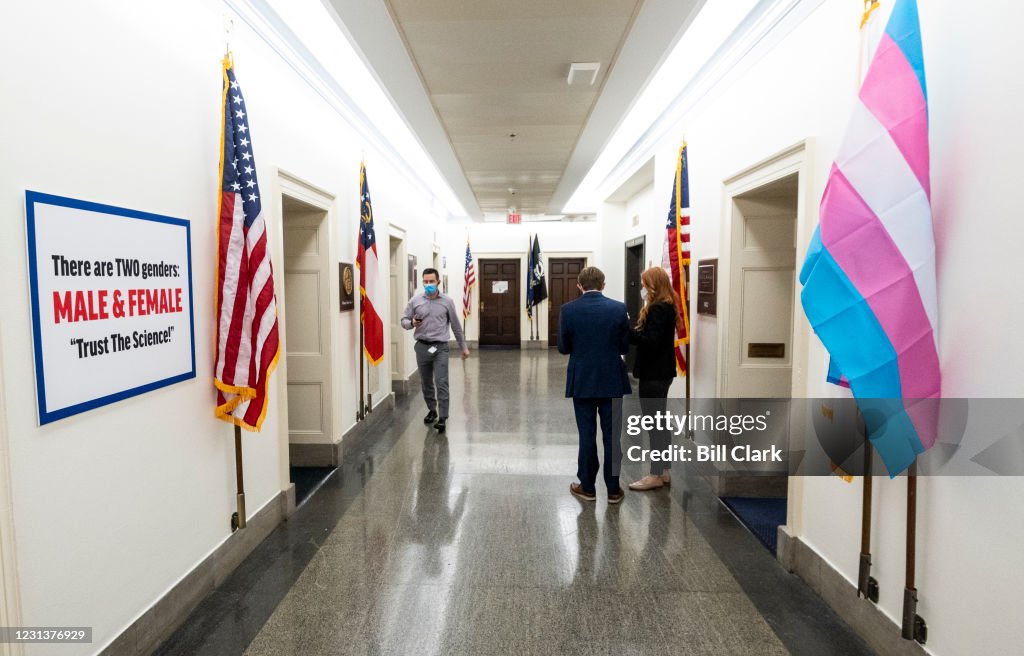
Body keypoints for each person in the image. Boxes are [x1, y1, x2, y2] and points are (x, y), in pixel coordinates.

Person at [557, 266, 632, 504]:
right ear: (603, 285)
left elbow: (563, 347)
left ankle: (587, 487)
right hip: (612, 380)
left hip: (583, 380)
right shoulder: (618, 308)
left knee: (586, 435)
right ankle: (613, 489)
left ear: (579, 285)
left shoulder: (568, 310)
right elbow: (624, 346)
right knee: (612, 437)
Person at [627, 266, 682, 491]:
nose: (642, 288)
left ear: (653, 284)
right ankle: (664, 471)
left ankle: (655, 474)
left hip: (655, 373)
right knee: (660, 422)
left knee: (654, 424)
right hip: (662, 372)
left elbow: (652, 341)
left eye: (643, 283)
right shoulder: (667, 305)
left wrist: (628, 332)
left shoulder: (659, 308)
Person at [401, 268, 469, 432]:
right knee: (426, 383)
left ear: (438, 282)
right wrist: (412, 323)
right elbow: (403, 320)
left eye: (432, 281)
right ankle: (432, 409)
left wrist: (463, 347)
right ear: (422, 282)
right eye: (426, 281)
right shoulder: (415, 301)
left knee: (441, 382)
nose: (428, 284)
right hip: (422, 347)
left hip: (440, 348)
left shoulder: (447, 302)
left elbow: (456, 326)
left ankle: (443, 417)